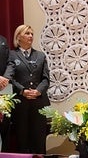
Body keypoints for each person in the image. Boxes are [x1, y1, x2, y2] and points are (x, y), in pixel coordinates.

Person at [3, 25, 50, 154]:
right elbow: (9, 78)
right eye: (27, 33)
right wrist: (22, 90)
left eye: (31, 33)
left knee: (39, 142)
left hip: (39, 104)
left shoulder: (40, 56)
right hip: (21, 106)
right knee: (22, 142)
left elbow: (46, 79)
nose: (30, 36)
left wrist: (38, 91)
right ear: (19, 37)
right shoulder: (12, 55)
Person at [0, 35, 10, 152]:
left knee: (5, 126)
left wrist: (5, 78)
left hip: (4, 89)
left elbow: (10, 62)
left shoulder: (3, 40)